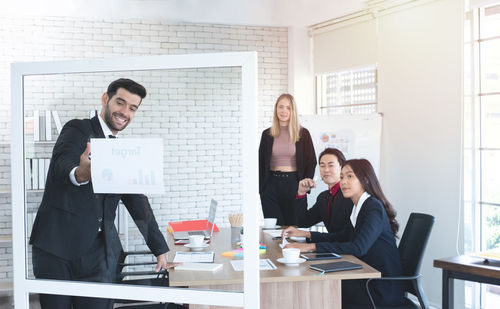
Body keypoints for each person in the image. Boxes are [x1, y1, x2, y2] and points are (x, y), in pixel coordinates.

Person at [30, 78, 179, 309]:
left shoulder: (123, 151)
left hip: (99, 255)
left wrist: (159, 249)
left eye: (132, 108)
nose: (124, 112)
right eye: (120, 103)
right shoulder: (77, 129)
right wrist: (81, 173)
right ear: (105, 99)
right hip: (57, 249)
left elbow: (137, 201)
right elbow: (62, 165)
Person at [282, 159, 404, 307]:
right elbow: (340, 236)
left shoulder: (373, 207)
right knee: (319, 286)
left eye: (350, 176)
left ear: (365, 180)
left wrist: (311, 247)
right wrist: (306, 235)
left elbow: (359, 248)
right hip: (367, 277)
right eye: (342, 177)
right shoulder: (359, 207)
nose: (344, 182)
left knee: (321, 288)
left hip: (380, 287)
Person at [258, 93, 316, 226]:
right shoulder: (267, 134)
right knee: (274, 230)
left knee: (295, 227)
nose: (284, 111)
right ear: (276, 109)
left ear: (293, 111)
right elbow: (260, 163)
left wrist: (305, 184)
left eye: (288, 108)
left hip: (294, 184)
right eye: (281, 107)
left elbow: (311, 161)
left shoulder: (303, 134)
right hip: (271, 186)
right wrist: (262, 188)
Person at [295, 148, 353, 233]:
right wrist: (301, 193)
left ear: (342, 168)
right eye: (322, 166)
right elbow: (303, 222)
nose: (326, 170)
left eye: (331, 165)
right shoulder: (323, 198)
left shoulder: (350, 195)